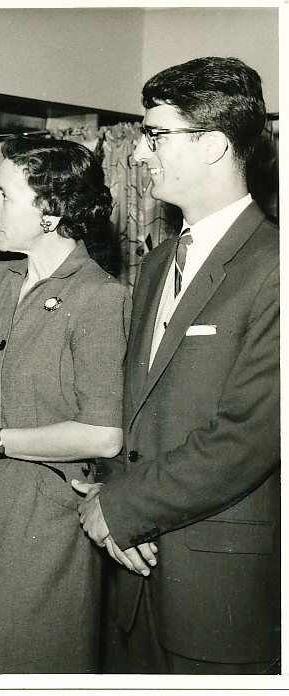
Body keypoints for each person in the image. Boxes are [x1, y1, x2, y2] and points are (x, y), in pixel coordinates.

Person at [75, 57, 279, 675]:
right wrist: (112, 494)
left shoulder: (274, 267)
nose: (140, 154)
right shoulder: (161, 260)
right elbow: (142, 402)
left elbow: (250, 434)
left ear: (215, 145)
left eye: (156, 136)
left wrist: (121, 509)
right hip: (134, 572)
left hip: (219, 590)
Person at [0, 137, 127, 674]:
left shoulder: (101, 298)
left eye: (4, 195)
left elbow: (104, 434)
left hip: (49, 521)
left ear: (52, 212)